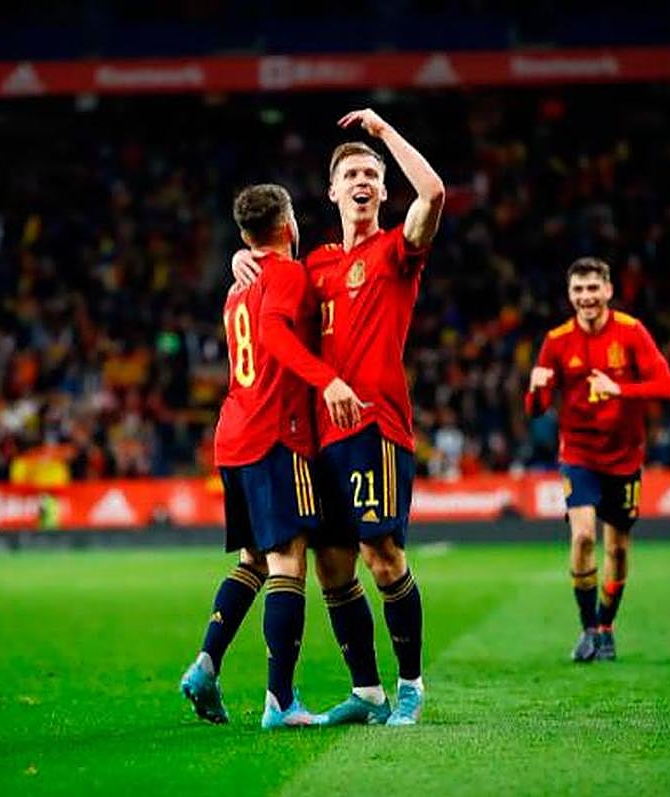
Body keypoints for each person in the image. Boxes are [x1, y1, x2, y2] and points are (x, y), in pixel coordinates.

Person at [234, 108, 444, 726]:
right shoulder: (315, 264)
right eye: (350, 172)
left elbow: (432, 193)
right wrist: (241, 261)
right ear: (330, 191)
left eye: (371, 175)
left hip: (376, 425)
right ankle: (367, 692)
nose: (362, 181)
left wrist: (383, 135)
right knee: (332, 568)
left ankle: (410, 685)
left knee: (383, 554)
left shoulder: (395, 251)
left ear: (382, 191)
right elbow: (270, 292)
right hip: (320, 438)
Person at [180, 183, 367, 729]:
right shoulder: (284, 274)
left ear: (244, 236)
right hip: (275, 434)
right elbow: (276, 335)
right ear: (289, 224)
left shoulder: (239, 286)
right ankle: (280, 701)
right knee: (289, 562)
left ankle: (205, 665)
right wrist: (327, 379)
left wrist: (242, 257)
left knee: (252, 562)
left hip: (233, 434)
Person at [525, 257, 670, 662]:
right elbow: (536, 409)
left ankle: (607, 627)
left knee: (619, 550)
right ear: (569, 294)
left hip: (625, 456)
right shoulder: (556, 340)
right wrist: (536, 390)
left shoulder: (631, 332)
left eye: (593, 288)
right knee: (583, 536)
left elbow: (667, 385)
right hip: (578, 452)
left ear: (608, 290)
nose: (586, 297)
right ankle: (588, 628)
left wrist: (620, 390)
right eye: (578, 290)